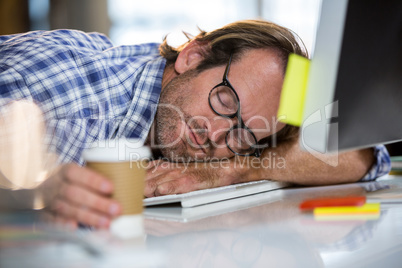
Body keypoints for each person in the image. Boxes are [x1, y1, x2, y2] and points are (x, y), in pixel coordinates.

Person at [0, 20, 390, 229]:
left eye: (243, 134)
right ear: (193, 55)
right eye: (224, 101)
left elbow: (366, 154)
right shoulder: (70, 101)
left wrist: (236, 168)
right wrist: (34, 193)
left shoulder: (204, 112)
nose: (216, 136)